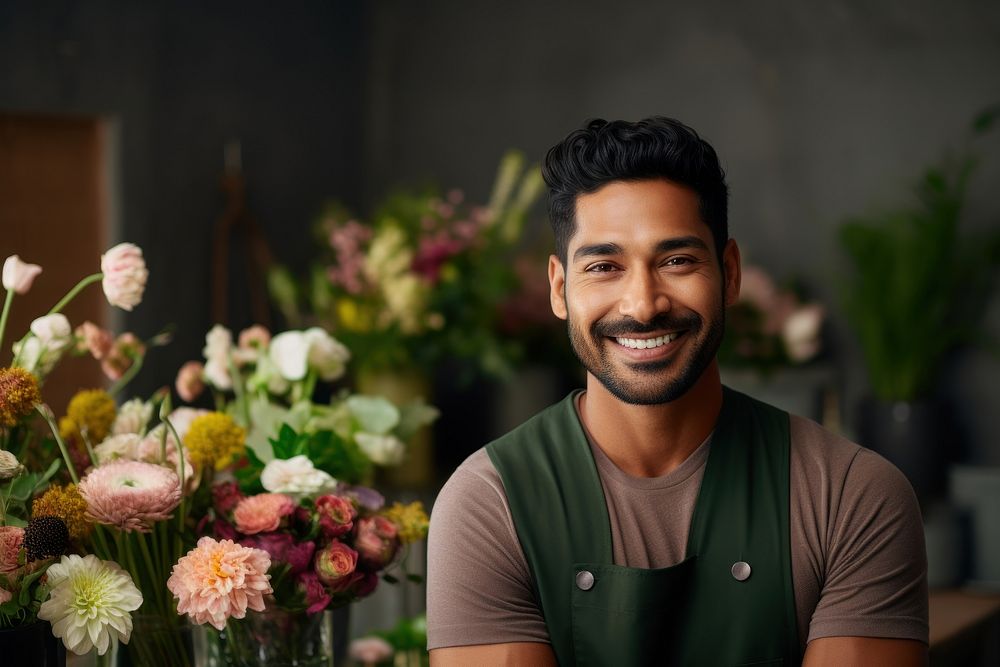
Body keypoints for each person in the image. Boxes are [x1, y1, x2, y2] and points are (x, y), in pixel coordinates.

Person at [426, 117, 928, 666]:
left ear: (729, 272)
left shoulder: (852, 495)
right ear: (560, 288)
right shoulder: (489, 503)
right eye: (604, 266)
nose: (643, 305)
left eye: (677, 261)